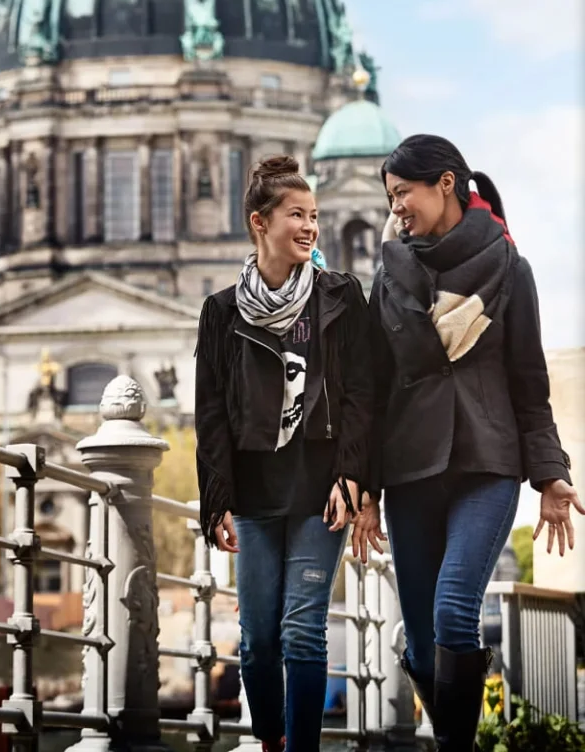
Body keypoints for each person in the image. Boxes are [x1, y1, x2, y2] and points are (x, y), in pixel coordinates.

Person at [352, 134, 583, 752]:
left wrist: (550, 476)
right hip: (409, 472)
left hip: (488, 464)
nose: (396, 207)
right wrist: (364, 488)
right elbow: (371, 392)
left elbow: (530, 384)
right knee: (422, 641)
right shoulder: (388, 276)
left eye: (403, 192)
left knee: (454, 609)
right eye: (390, 197)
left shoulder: (510, 267)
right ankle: (457, 737)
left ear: (446, 184)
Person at [194, 155, 374, 752]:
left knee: (302, 631)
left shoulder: (341, 296)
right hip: (253, 493)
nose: (310, 227)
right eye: (296, 214)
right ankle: (269, 740)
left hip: (322, 490)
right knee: (257, 641)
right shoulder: (221, 312)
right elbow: (211, 414)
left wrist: (353, 477)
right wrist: (216, 499)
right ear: (259, 222)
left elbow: (361, 396)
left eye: (314, 215)